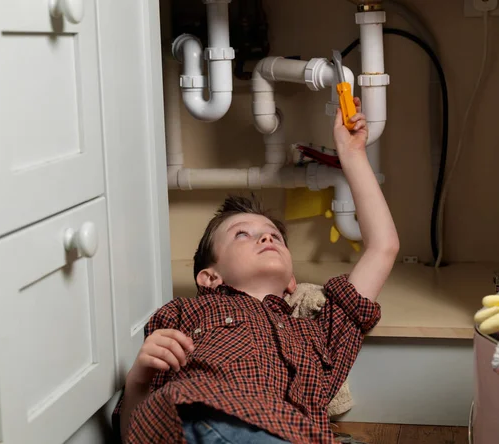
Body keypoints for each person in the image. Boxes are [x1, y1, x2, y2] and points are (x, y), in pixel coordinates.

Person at [112, 98, 399, 444]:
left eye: (275, 236)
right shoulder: (183, 314)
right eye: (242, 234)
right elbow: (136, 433)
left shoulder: (319, 330)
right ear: (210, 277)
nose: (265, 236)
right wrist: (138, 381)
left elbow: (383, 248)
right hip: (198, 420)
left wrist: (352, 154)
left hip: (291, 434)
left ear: (292, 281)